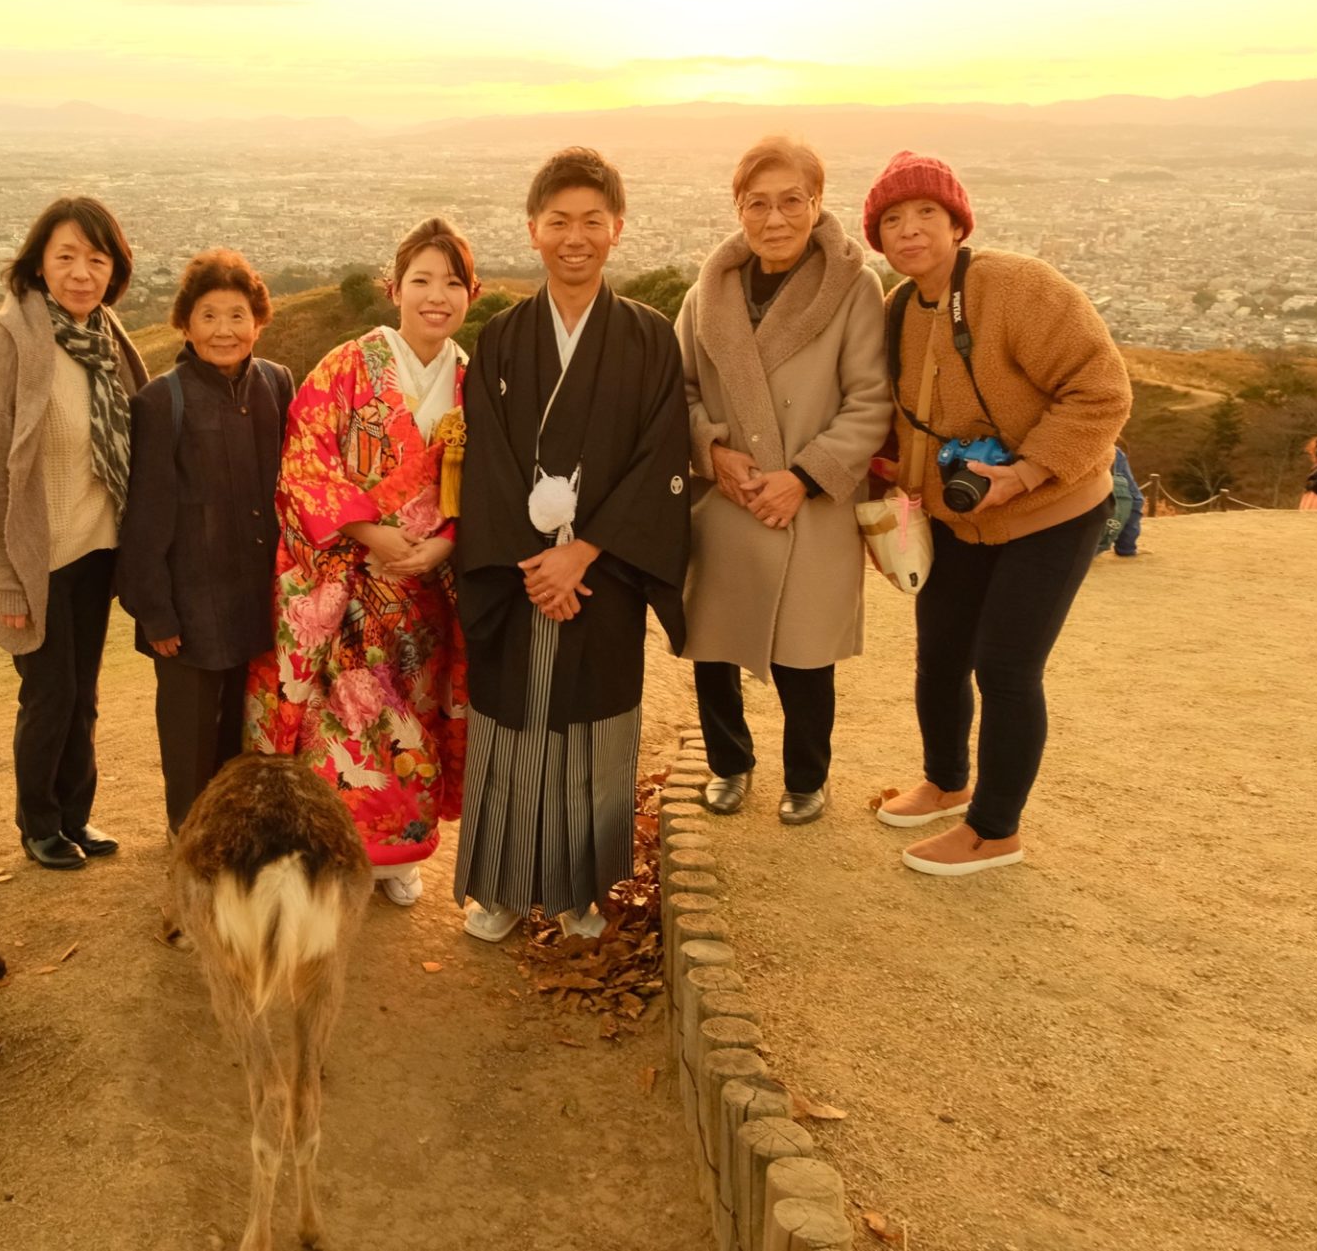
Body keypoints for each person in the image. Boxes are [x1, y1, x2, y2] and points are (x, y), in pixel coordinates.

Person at [864, 152, 1131, 877]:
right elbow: (901, 421)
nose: (910, 230)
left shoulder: (1017, 288)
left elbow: (1103, 391)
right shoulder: (897, 310)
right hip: (961, 518)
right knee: (940, 655)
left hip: (1052, 506)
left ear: (957, 222)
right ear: (877, 237)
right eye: (893, 219)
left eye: (926, 213)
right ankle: (947, 780)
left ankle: (994, 829)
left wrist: (1026, 472)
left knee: (1006, 666)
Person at [452, 148, 690, 941]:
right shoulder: (502, 339)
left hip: (604, 576)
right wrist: (536, 565)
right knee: (512, 722)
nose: (575, 236)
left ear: (617, 229)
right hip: (519, 573)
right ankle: (502, 891)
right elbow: (486, 462)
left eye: (593, 220)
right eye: (560, 221)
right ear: (533, 229)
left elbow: (663, 457)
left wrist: (581, 554)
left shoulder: (650, 340)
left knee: (594, 726)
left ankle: (584, 890)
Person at [245, 219, 474, 907]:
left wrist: (447, 542)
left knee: (414, 727)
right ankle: (334, 856)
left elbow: (495, 479)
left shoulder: (473, 380)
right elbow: (306, 457)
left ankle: (398, 858)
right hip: (352, 586)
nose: (437, 296)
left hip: (426, 592)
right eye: (422, 280)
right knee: (344, 727)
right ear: (394, 288)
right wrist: (373, 535)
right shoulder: (348, 366)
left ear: (473, 293)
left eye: (453, 283)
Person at [675, 136, 892, 827]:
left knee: (807, 652)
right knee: (713, 644)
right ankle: (728, 763)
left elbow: (870, 401)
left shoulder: (855, 287)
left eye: (791, 201)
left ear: (817, 202)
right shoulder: (707, 293)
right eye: (758, 203)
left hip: (812, 498)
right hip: (731, 494)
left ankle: (807, 775)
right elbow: (677, 391)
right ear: (737, 208)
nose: (775, 218)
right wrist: (713, 451)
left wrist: (802, 476)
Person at [0, 196, 149, 870]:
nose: (81, 271)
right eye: (66, 256)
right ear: (39, 263)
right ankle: (38, 822)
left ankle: (75, 815)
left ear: (114, 270)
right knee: (49, 695)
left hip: (97, 549)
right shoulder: (12, 342)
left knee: (85, 693)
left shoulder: (107, 338)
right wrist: (4, 578)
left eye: (96, 259)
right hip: (38, 558)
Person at [119, 250, 292, 837]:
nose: (225, 330)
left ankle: (233, 832)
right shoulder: (160, 402)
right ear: (186, 324)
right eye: (209, 315)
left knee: (241, 730)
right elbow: (143, 520)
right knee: (190, 735)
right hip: (189, 607)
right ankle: (189, 837)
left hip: (258, 599)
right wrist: (155, 613)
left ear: (258, 321)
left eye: (238, 315)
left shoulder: (275, 383)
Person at [1097, 442, 1145, 556]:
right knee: (1134, 498)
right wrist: (1127, 547)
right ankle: (1125, 547)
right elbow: (1135, 500)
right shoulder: (1112, 451)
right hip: (1089, 547)